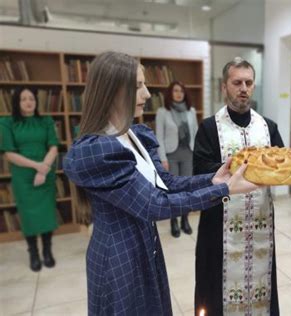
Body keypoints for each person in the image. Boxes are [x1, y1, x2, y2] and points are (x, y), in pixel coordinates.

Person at [63, 51, 258, 315]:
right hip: (119, 256)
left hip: (145, 245)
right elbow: (154, 205)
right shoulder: (100, 149)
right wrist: (223, 190)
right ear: (112, 92)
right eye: (138, 87)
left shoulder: (133, 135)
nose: (146, 94)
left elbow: (164, 183)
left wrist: (212, 179)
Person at [193, 57, 283, 315]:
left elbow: (281, 165)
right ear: (224, 87)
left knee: (261, 286)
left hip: (260, 223)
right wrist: (235, 170)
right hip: (219, 225)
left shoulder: (268, 127)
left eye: (248, 82)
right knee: (216, 292)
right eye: (237, 82)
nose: (243, 88)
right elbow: (199, 170)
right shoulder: (209, 128)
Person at [0, 87, 59, 272]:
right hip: (23, 177)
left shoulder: (46, 121)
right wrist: (36, 167)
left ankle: (47, 251)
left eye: (31, 98)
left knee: (47, 212)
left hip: (45, 174)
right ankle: (33, 252)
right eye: (23, 99)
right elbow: (9, 154)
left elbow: (53, 147)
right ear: (17, 102)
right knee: (28, 216)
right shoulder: (7, 123)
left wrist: (44, 169)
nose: (28, 102)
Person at [155, 81, 198, 238]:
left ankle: (185, 220)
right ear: (170, 93)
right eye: (175, 91)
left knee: (187, 189)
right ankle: (174, 221)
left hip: (188, 153)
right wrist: (162, 158)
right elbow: (158, 136)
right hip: (171, 155)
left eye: (181, 91)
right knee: (173, 190)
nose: (179, 94)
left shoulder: (191, 111)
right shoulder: (162, 112)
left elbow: (195, 133)